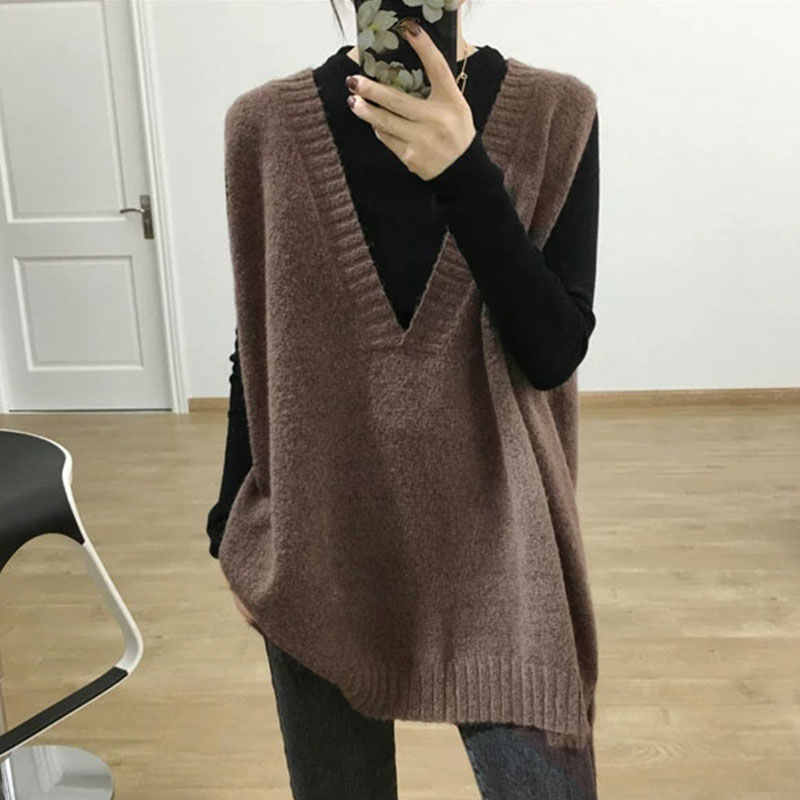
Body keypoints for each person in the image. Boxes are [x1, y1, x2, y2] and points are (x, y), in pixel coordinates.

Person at [207, 3, 600, 798]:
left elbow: (552, 352)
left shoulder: (558, 112)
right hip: (321, 543)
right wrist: (230, 529)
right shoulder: (265, 127)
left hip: (503, 552)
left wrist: (464, 174)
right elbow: (261, 338)